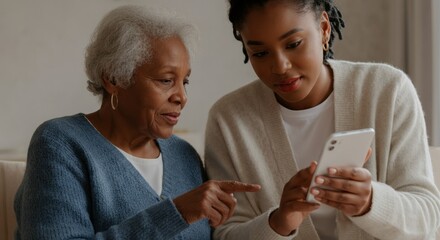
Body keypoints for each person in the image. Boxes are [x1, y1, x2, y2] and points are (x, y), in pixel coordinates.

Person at [14, 5, 260, 240]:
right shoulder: (60, 144)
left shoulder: (185, 156)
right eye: (165, 80)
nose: (182, 98)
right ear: (113, 78)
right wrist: (177, 213)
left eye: (184, 82)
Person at [204, 0, 440, 239]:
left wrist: (370, 202)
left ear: (324, 29)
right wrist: (279, 222)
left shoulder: (388, 91)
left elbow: (427, 218)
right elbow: (225, 234)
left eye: (294, 44)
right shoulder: (228, 120)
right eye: (260, 53)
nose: (280, 66)